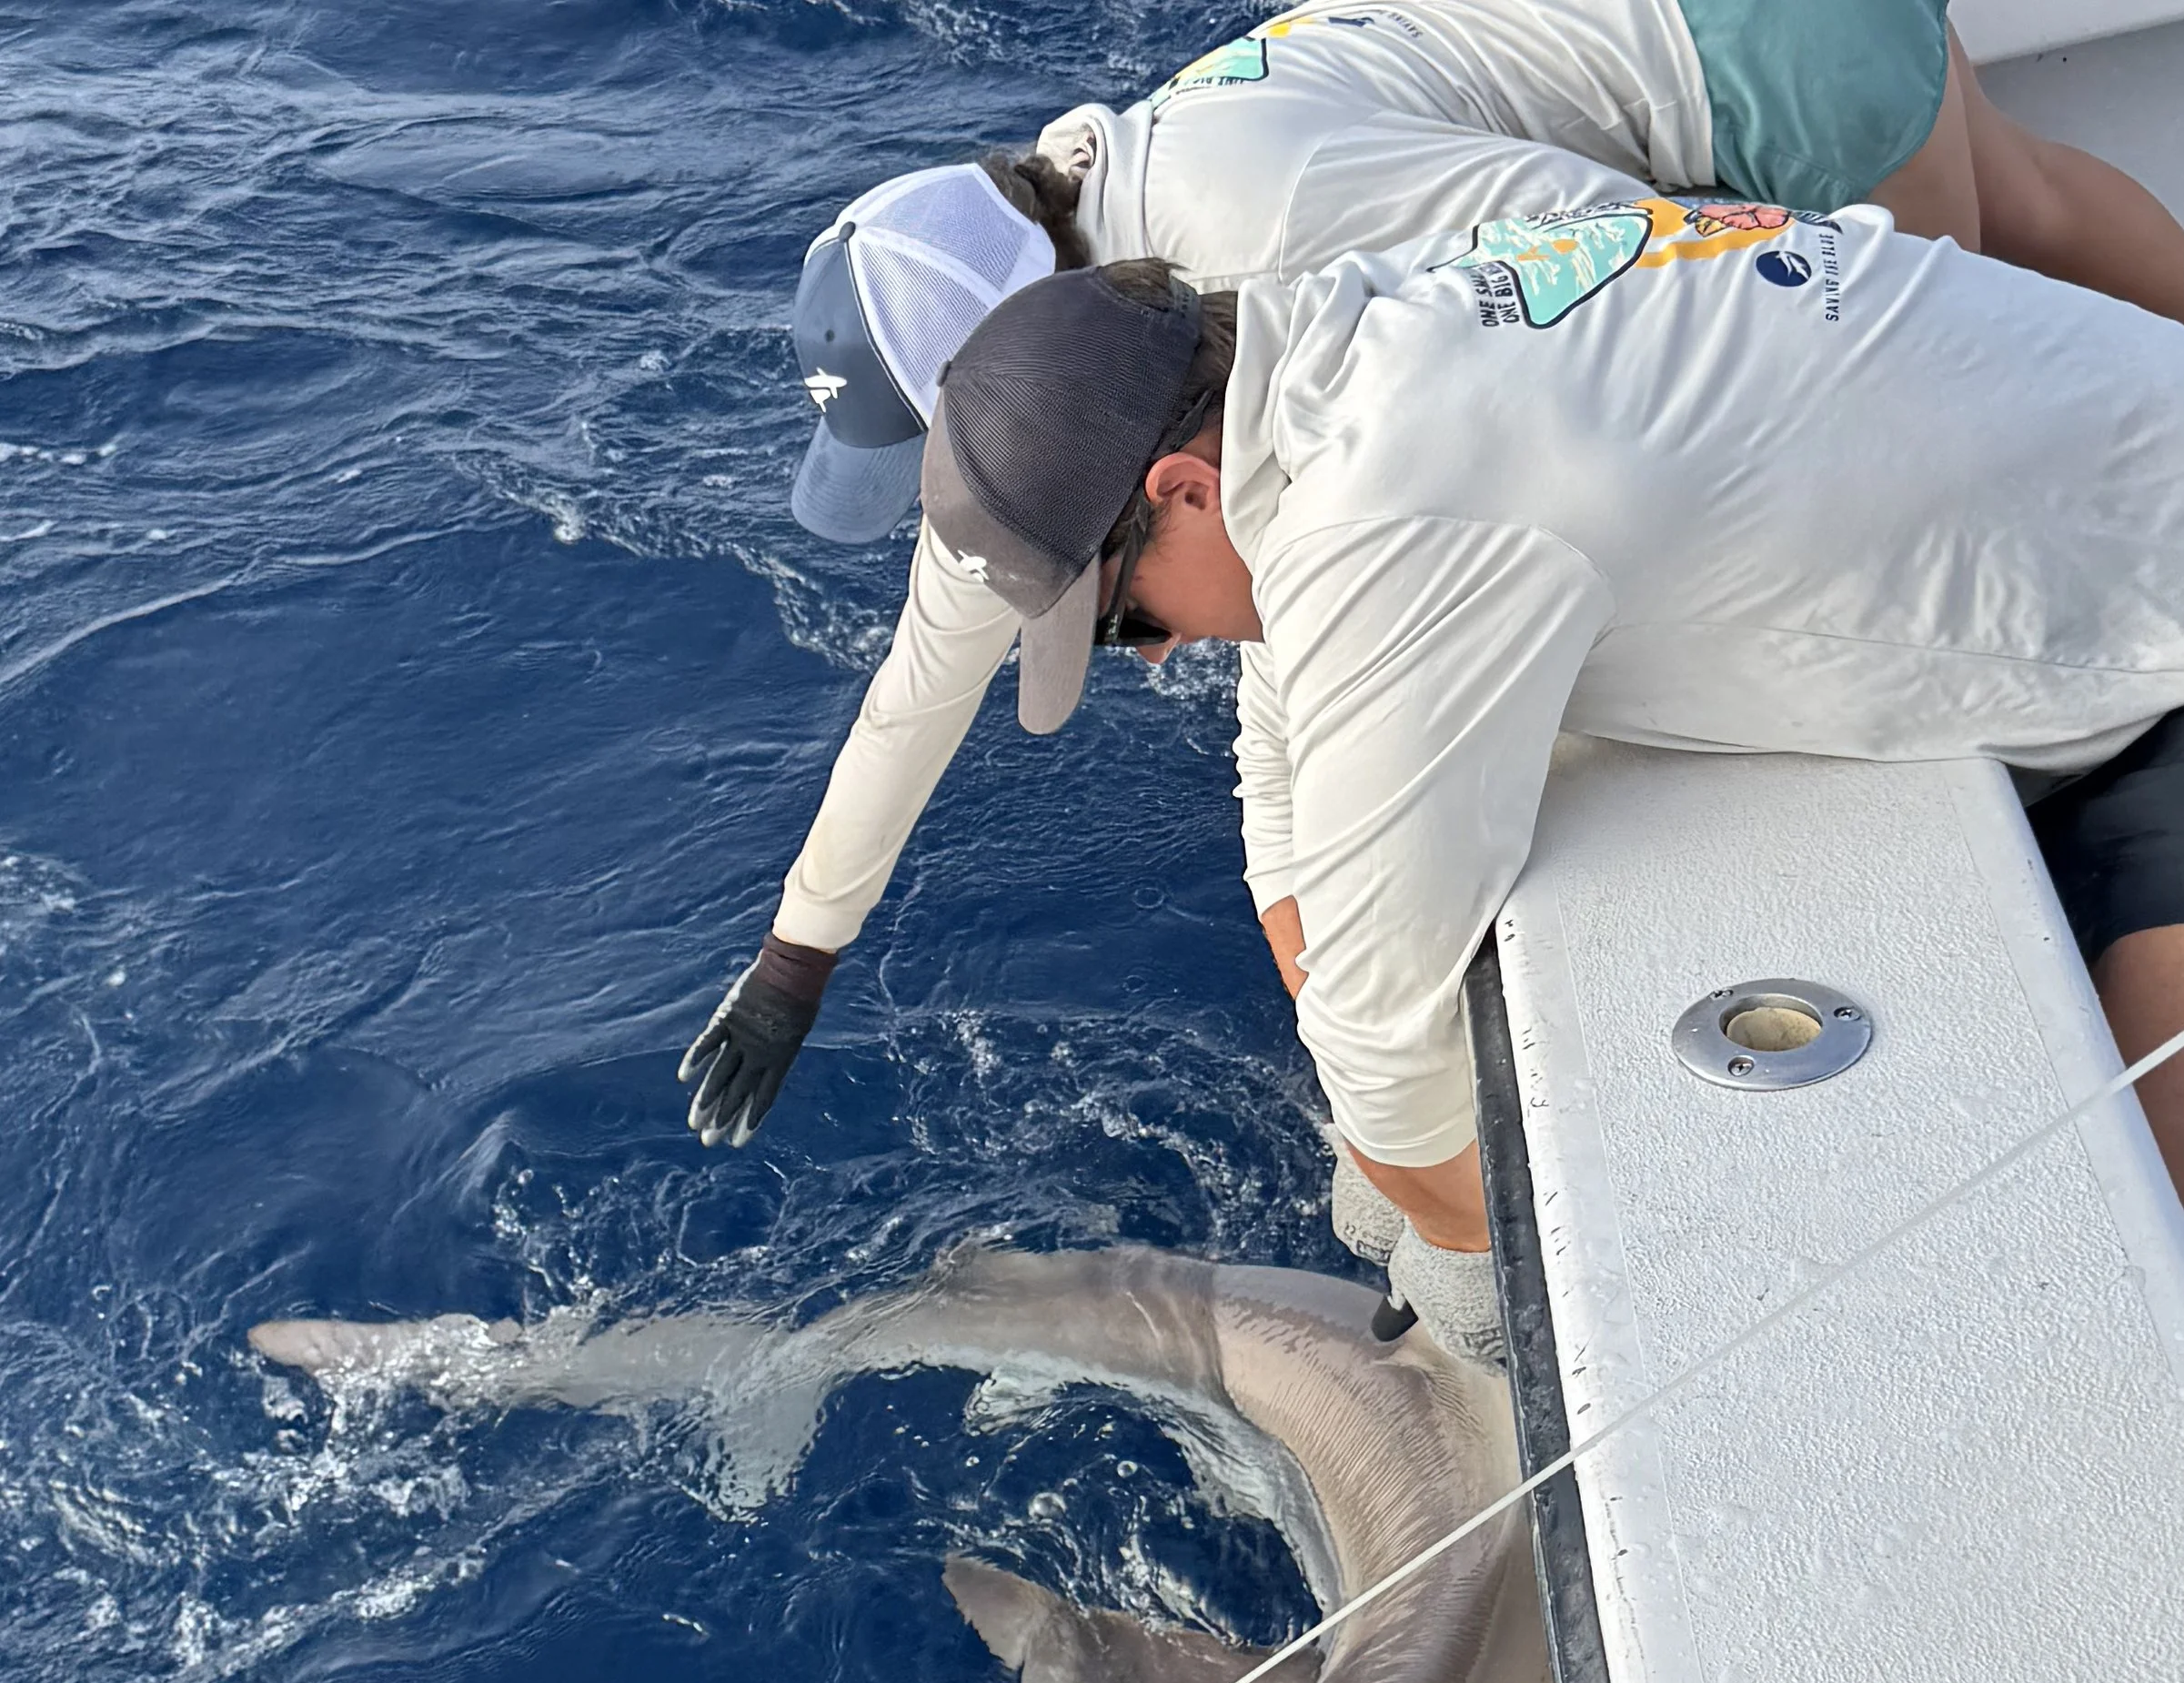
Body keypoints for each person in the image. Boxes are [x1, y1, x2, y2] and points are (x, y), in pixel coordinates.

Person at [680, 0, 2184, 1158]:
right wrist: (795, 958)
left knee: (1928, 403)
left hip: (1757, 52)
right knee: (2044, 230)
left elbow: (1600, 259)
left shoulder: (1257, 225)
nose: (1138, 647)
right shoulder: (1088, 327)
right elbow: (943, 655)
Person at [909, 225, 2184, 1351]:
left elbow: (1387, 1047)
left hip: (2155, 658)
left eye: (1127, 620)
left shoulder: (1390, 516)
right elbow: (1279, 735)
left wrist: (1468, 1264)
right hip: (2101, 553)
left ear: (1181, 490)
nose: (1163, 653)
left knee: (2111, 1286)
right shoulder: (1338, 339)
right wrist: (1378, 1124)